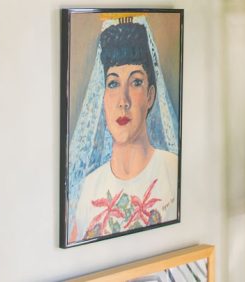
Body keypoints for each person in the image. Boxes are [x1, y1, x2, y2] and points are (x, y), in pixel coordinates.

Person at [69, 16, 179, 243]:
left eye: (136, 82)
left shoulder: (172, 170)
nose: (123, 100)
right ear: (102, 98)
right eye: (113, 83)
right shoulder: (89, 188)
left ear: (150, 95)